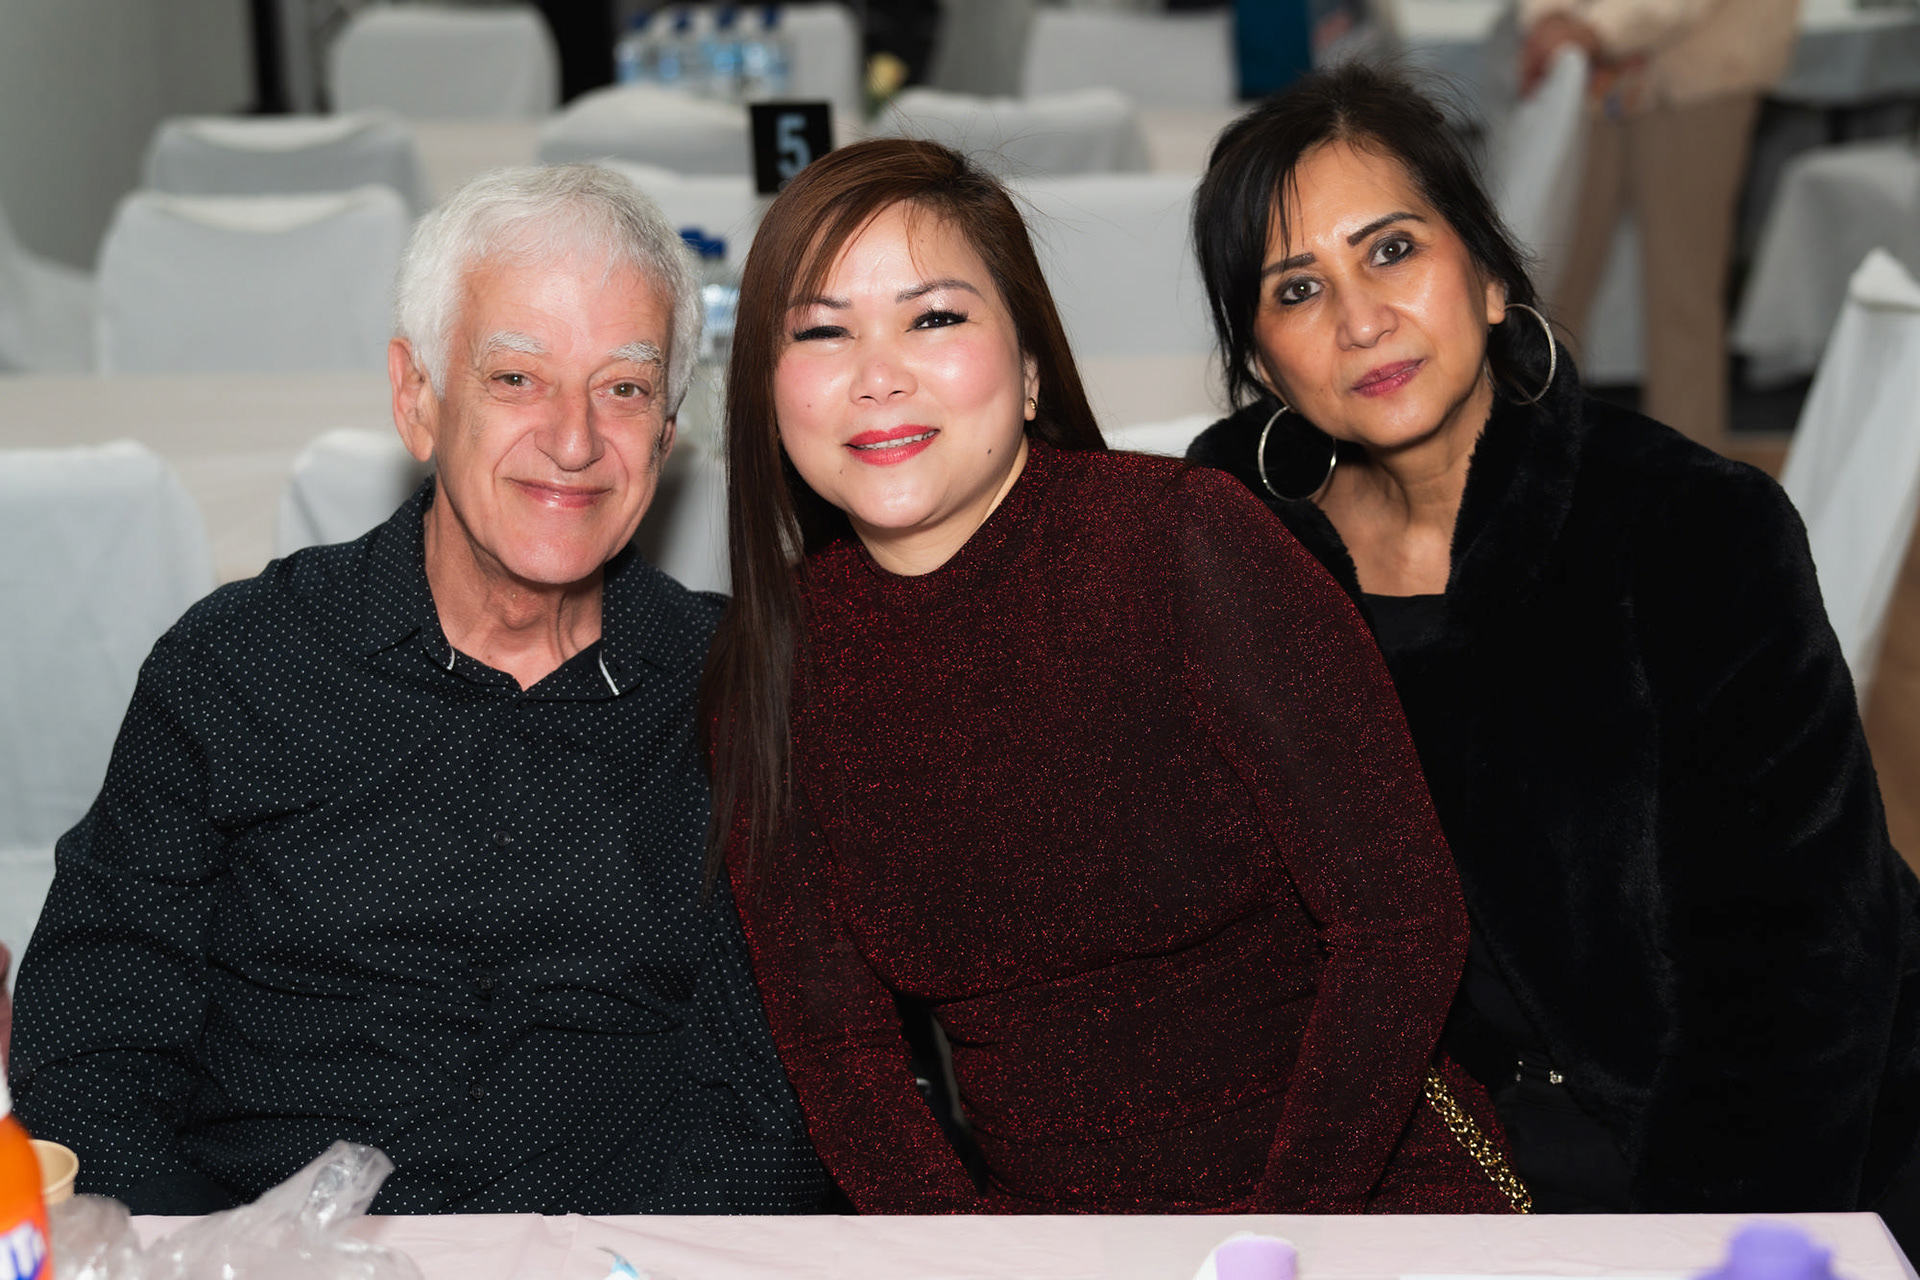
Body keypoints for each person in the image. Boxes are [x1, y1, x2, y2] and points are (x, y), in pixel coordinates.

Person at [701, 136, 1525, 1214]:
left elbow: (1400, 923)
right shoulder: (775, 660)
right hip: (1043, 1240)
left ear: (1031, 368)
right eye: (821, 332)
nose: (878, 374)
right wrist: (961, 1251)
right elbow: (835, 1043)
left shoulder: (1184, 545)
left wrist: (1274, 1244)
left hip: (1360, 1198)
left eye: (933, 317)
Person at [6, 165, 827, 1216]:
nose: (574, 441)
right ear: (418, 398)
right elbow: (92, 1047)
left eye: (623, 388)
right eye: (516, 377)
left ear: (666, 437)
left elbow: (781, 1102)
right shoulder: (237, 669)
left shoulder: (741, 694)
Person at [1186, 63, 1920, 1221]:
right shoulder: (1238, 559)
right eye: (1297, 288)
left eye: (1392, 250)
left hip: (1750, 1157)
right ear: (1263, 362)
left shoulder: (1689, 529)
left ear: (1487, 275)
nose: (1361, 319)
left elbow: (1802, 975)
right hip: (1453, 1166)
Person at [1517, 0, 1801, 448]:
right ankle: (1532, 463)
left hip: (1698, 68)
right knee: (1546, 284)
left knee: (1682, 302)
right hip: (1587, 69)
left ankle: (1689, 480)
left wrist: (1592, 30)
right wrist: (1549, 16)